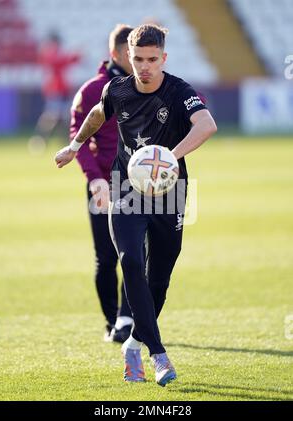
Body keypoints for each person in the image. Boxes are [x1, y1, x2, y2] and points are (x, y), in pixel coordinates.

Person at [55, 24, 217, 386]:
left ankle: (134, 343)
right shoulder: (118, 89)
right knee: (129, 259)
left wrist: (166, 159)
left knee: (159, 276)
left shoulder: (179, 91)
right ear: (128, 56)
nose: (145, 67)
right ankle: (158, 355)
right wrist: (75, 146)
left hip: (170, 190)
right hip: (126, 186)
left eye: (152, 59)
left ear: (164, 58)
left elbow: (206, 125)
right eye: (138, 59)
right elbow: (98, 112)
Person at [70, 24, 134, 343]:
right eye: (128, 54)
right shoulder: (93, 90)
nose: (135, 60)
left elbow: (194, 99)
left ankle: (127, 318)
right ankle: (112, 322)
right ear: (115, 54)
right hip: (103, 186)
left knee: (134, 256)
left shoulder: (152, 86)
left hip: (139, 187)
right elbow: (76, 139)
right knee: (107, 258)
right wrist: (96, 179)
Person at [29, 32, 81, 152]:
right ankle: (40, 139)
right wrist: (74, 55)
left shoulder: (54, 53)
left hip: (62, 90)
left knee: (62, 117)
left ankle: (60, 140)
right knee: (51, 117)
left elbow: (70, 61)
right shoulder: (49, 54)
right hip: (55, 90)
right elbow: (62, 61)